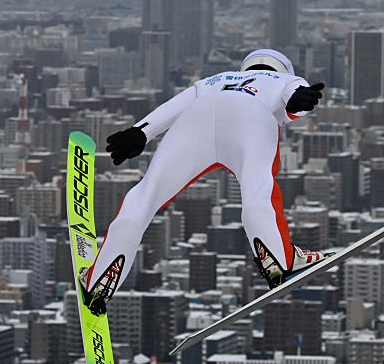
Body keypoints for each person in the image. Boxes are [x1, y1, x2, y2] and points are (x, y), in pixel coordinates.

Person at [79, 48, 328, 315]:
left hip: (196, 120)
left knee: (144, 197)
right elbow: (296, 94)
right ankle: (280, 260)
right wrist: (296, 101)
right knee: (258, 192)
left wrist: (140, 132)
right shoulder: (283, 80)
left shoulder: (215, 79)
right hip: (251, 119)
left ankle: (99, 279)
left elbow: (171, 108)